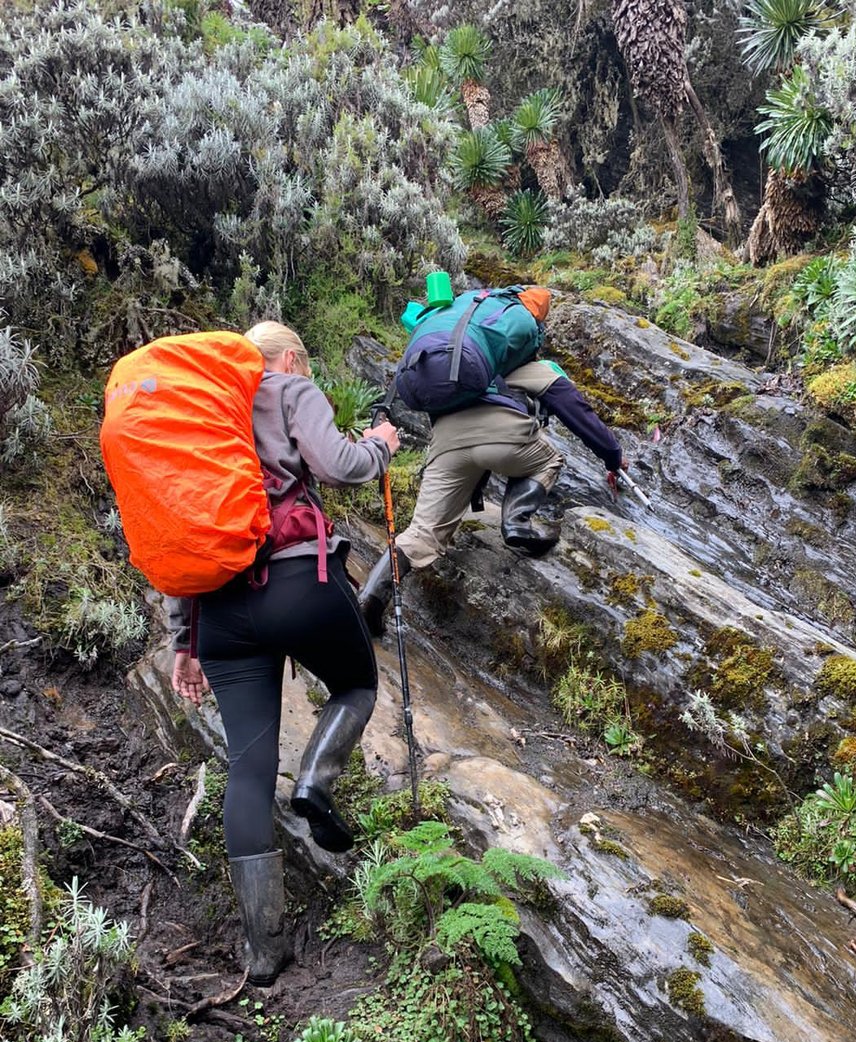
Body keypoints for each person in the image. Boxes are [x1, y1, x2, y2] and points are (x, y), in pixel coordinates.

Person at [168, 321, 399, 984]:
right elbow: (338, 466)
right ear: (290, 356)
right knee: (355, 684)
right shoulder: (288, 389)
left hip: (218, 613)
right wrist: (380, 446)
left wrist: (184, 640)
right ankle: (316, 782)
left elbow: (179, 536)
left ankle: (264, 950)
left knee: (246, 768)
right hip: (297, 584)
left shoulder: (199, 418)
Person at [358, 290, 625, 636]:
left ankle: (368, 600)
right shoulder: (531, 368)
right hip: (505, 440)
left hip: (446, 449)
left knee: (421, 534)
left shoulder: (459, 373)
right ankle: (516, 522)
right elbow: (576, 410)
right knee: (549, 460)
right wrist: (613, 457)